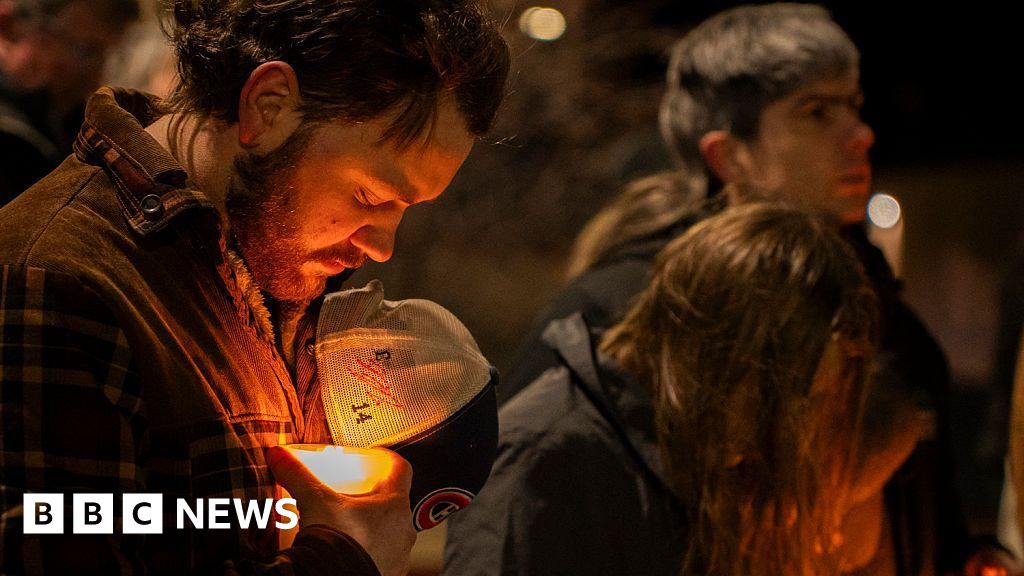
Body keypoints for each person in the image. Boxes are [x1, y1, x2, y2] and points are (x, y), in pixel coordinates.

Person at [0, 0, 509, 574]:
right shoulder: (56, 284)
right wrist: (342, 560)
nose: (382, 246)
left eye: (406, 208)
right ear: (269, 107)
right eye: (369, 196)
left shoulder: (270, 255)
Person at [471, 3, 974, 575]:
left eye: (854, 107)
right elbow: (519, 506)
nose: (861, 135)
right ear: (730, 155)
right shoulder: (627, 314)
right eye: (816, 113)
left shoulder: (885, 316)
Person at [447, 203, 921, 575]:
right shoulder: (540, 461)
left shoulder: (695, 463)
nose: (791, 429)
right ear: (717, 346)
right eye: (787, 394)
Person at [0, 0, 140, 206]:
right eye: (85, 51)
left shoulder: (75, 126)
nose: (98, 75)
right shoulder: (10, 139)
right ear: (11, 28)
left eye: (111, 56)